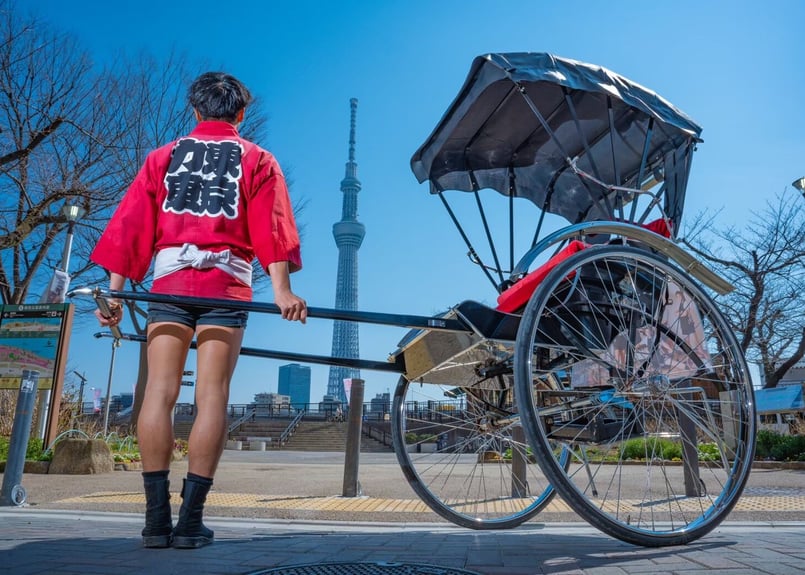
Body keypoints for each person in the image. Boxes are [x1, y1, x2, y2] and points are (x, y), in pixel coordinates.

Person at [91, 72, 306, 550]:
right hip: (225, 285)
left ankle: (153, 522)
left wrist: (115, 293)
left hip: (169, 283)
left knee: (159, 394)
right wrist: (282, 290)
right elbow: (271, 227)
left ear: (195, 111)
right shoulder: (258, 159)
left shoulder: (162, 157)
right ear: (241, 114)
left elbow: (131, 225)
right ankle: (189, 523)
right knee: (212, 396)